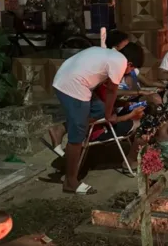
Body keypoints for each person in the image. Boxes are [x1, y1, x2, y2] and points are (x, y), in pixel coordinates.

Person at [51, 40, 145, 194]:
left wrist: (107, 112)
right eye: (132, 69)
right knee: (77, 137)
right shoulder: (120, 62)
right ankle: (71, 181)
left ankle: (62, 128)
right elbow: (111, 91)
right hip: (73, 86)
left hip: (66, 77)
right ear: (130, 63)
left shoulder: (109, 53)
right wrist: (110, 115)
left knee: (98, 109)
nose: (129, 72)